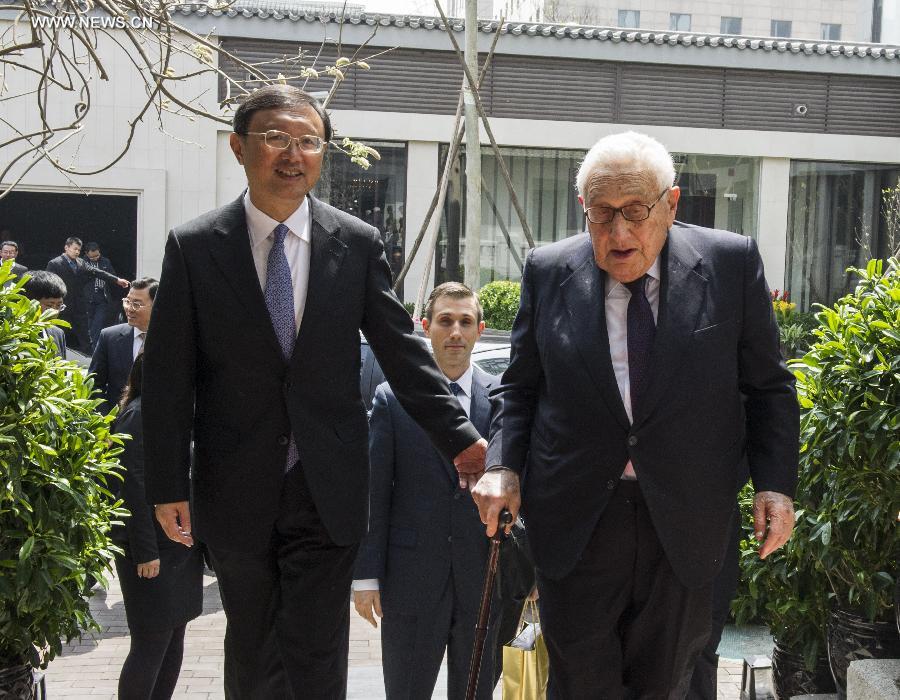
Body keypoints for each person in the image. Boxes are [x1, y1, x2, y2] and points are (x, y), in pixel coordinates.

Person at [141, 85, 487, 699]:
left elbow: (401, 352)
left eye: (308, 141)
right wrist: (168, 484)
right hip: (234, 481)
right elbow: (169, 377)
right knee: (251, 644)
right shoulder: (194, 247)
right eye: (275, 137)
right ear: (239, 147)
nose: (292, 153)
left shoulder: (355, 242)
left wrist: (461, 439)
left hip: (327, 484)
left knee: (317, 648)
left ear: (323, 154)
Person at [471, 131, 799, 698]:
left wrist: (775, 485)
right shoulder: (548, 271)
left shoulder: (728, 263)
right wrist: (502, 465)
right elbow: (519, 388)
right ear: (584, 210)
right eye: (602, 215)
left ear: (671, 205)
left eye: (635, 212)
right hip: (579, 520)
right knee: (580, 683)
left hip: (686, 520)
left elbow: (768, 387)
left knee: (672, 681)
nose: (618, 233)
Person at [352, 282, 500, 699]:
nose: (456, 331)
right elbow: (375, 491)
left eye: (465, 322)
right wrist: (366, 577)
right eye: (445, 321)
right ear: (425, 327)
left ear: (480, 330)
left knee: (475, 692)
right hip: (410, 581)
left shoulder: (503, 399)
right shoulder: (392, 399)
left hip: (483, 578)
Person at [110, 353, 204, 700]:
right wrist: (146, 552)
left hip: (178, 545)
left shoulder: (168, 413)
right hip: (150, 547)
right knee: (151, 641)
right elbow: (131, 488)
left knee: (174, 634)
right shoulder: (137, 415)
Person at [46, 237, 129, 352]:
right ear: (66, 247)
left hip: (79, 306)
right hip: (62, 305)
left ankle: (90, 362)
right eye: (75, 249)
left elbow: (97, 272)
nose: (76, 252)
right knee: (59, 333)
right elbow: (49, 283)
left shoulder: (81, 262)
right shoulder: (55, 263)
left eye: (78, 250)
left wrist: (116, 280)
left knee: (85, 336)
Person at [89, 277, 157, 415]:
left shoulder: (173, 339)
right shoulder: (109, 337)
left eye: (136, 304)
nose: (129, 309)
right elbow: (93, 385)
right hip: (117, 427)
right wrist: (105, 424)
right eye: (127, 301)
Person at [82, 242, 120, 352]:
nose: (95, 258)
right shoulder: (81, 262)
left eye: (97, 256)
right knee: (87, 325)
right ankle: (88, 350)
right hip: (87, 297)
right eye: (92, 257)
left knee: (98, 325)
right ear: (86, 254)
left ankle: (96, 350)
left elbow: (112, 276)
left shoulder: (105, 261)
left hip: (102, 296)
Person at [22, 270, 68, 359]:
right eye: (49, 306)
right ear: (30, 303)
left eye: (59, 306)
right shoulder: (12, 335)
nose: (55, 312)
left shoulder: (58, 334)